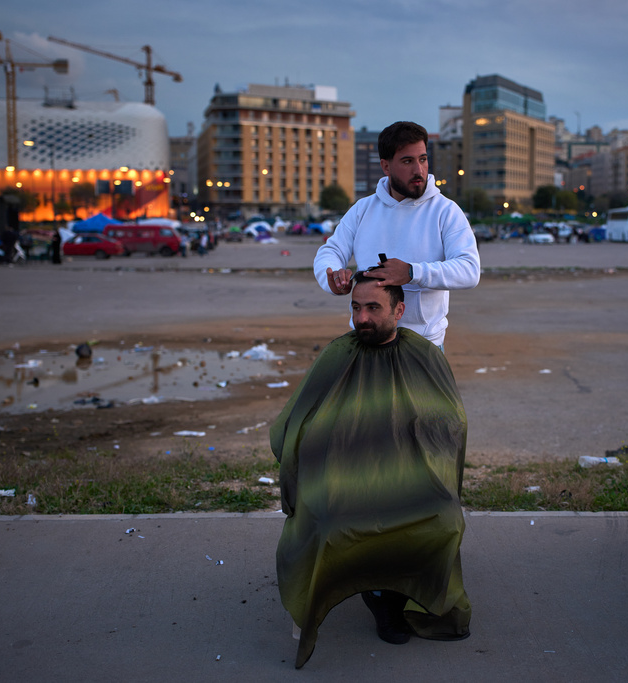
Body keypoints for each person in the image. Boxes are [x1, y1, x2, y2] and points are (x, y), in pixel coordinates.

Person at [271, 272, 472, 669]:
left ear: (399, 311)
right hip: (344, 476)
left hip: (413, 472)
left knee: (444, 519)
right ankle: (378, 599)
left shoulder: (425, 356)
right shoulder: (337, 355)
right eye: (356, 308)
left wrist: (424, 441)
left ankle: (401, 594)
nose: (362, 318)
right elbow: (295, 421)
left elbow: (452, 420)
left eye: (373, 308)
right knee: (330, 523)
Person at [313, 121, 480, 349]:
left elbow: (470, 270)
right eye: (407, 161)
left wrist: (412, 272)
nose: (418, 170)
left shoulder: (446, 211)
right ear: (386, 166)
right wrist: (331, 278)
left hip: (424, 347)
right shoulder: (363, 209)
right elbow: (330, 251)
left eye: (422, 159)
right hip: (367, 343)